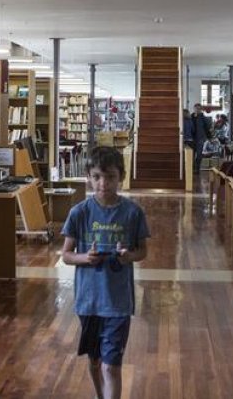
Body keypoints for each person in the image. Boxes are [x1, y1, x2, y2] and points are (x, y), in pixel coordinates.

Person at [61, 147, 150, 399]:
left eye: (110, 177)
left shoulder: (133, 213)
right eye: (97, 176)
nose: (103, 183)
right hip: (88, 302)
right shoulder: (79, 212)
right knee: (95, 361)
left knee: (111, 366)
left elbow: (142, 251)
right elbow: (66, 254)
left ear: (121, 177)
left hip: (118, 303)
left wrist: (128, 256)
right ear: (88, 177)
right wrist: (84, 258)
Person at [190, 103, 213, 174]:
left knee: (199, 155)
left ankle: (197, 168)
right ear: (194, 109)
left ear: (201, 109)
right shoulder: (190, 117)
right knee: (191, 155)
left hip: (200, 139)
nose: (197, 110)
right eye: (196, 108)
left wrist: (209, 137)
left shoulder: (203, 118)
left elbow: (208, 127)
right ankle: (192, 168)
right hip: (191, 139)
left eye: (199, 109)